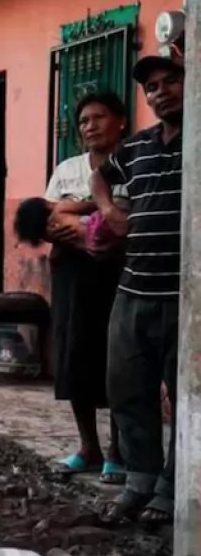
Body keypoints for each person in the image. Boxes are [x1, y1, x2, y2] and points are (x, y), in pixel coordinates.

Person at [13, 91, 130, 485]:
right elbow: (43, 221)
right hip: (73, 276)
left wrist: (74, 213)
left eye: (99, 117)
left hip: (119, 272)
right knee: (74, 353)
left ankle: (118, 450)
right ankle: (88, 447)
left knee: (117, 357)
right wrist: (85, 226)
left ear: (121, 122)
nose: (90, 126)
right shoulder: (67, 168)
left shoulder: (132, 162)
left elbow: (126, 221)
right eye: (83, 121)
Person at [90, 52, 184, 525]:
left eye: (171, 81)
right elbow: (100, 176)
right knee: (127, 389)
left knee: (186, 399)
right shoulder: (138, 146)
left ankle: (171, 488)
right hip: (133, 290)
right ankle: (139, 482)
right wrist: (107, 210)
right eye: (152, 87)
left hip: (185, 299)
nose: (161, 91)